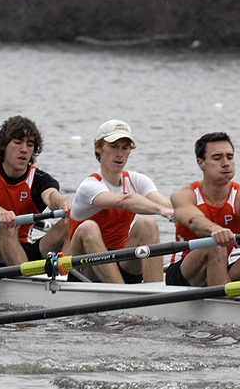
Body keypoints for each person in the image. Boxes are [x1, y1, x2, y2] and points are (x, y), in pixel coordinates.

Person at [69, 119, 174, 283]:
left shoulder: (137, 180)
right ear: (98, 147)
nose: (119, 153)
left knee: (148, 224)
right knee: (88, 228)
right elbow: (125, 201)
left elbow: (166, 204)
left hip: (122, 263)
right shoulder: (89, 186)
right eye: (113, 146)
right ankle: (122, 293)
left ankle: (157, 292)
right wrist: (161, 211)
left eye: (125, 148)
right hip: (85, 270)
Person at [166, 132, 240, 287]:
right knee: (214, 245)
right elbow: (193, 220)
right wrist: (214, 229)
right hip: (184, 273)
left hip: (220, 267)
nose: (226, 163)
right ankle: (225, 304)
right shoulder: (183, 196)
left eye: (229, 157)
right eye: (217, 158)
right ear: (200, 162)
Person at [0, 116, 71, 267]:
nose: (24, 149)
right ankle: (27, 284)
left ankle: (64, 278)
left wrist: (63, 203)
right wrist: (0, 213)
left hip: (24, 248)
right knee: (4, 225)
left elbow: (50, 195)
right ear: (3, 145)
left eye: (30, 145)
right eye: (17, 143)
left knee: (72, 221)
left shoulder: (40, 178)